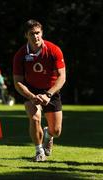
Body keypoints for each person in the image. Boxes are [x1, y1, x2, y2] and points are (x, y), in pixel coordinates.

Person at [13, 19, 66, 162]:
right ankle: (39, 151)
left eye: (37, 33)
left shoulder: (54, 50)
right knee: (34, 118)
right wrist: (31, 96)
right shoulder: (20, 55)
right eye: (32, 34)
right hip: (31, 90)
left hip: (51, 90)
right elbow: (17, 81)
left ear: (42, 33)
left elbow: (62, 77)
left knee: (56, 130)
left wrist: (48, 94)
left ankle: (48, 135)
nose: (35, 36)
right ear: (26, 35)